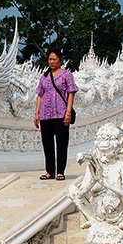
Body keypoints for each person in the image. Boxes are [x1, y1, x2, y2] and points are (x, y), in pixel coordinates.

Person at [34, 49, 78, 181]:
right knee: (47, 144)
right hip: (45, 115)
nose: (51, 62)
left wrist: (68, 112)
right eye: (50, 59)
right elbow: (40, 95)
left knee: (61, 143)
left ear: (61, 60)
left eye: (54, 59)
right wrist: (37, 114)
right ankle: (50, 171)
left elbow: (71, 93)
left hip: (61, 114)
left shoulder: (66, 75)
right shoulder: (44, 77)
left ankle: (60, 171)